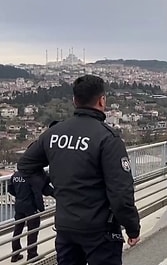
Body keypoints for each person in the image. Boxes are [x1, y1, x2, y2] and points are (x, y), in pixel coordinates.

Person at [17, 74, 140, 265]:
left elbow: (25, 166)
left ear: (75, 101)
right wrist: (132, 228)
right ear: (102, 100)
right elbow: (121, 193)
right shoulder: (107, 138)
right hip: (101, 231)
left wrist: (50, 189)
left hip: (66, 228)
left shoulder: (54, 133)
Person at [8, 170, 53, 262]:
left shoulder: (16, 175)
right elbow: (37, 194)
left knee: (17, 230)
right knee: (32, 231)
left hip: (19, 205)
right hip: (31, 207)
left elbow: (10, 188)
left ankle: (15, 254)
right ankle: (32, 255)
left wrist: (19, 196)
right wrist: (41, 209)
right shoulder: (33, 176)